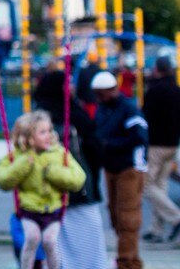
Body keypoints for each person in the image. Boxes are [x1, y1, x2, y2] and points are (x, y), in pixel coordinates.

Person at [0, 110, 86, 269]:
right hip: (29, 209)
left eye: (50, 130)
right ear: (28, 138)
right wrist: (23, 165)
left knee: (50, 241)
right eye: (42, 132)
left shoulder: (59, 153)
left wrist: (52, 172)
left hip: (53, 209)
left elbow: (78, 179)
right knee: (32, 238)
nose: (49, 135)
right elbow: (2, 180)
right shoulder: (18, 156)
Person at [33, 70, 106, 269]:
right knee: (76, 243)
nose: (71, 88)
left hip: (68, 191)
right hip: (71, 190)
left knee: (77, 242)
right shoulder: (54, 118)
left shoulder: (68, 112)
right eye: (66, 84)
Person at [92, 70, 148, 269]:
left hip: (129, 168)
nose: (98, 98)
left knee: (128, 216)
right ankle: (132, 259)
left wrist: (110, 145)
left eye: (101, 94)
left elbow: (140, 137)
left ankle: (126, 262)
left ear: (112, 90)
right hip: (111, 168)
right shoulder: (103, 109)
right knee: (115, 215)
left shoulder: (128, 109)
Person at [141, 56, 180, 243]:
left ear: (157, 69)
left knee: (147, 186)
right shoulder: (176, 90)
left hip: (156, 144)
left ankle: (175, 217)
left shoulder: (154, 91)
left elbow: (146, 118)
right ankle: (156, 229)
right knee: (161, 186)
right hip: (172, 144)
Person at [76, 51, 101, 119]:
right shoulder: (101, 71)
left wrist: (80, 98)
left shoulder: (83, 71)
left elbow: (80, 87)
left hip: (88, 101)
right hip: (100, 101)